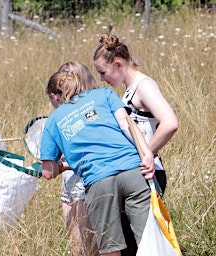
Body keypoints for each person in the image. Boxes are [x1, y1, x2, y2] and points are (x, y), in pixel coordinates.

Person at [40, 68, 155, 255]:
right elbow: (127, 125)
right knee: (149, 242)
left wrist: (60, 166)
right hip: (133, 170)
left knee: (111, 248)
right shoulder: (104, 94)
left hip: (99, 182)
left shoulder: (54, 120)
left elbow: (48, 172)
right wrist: (146, 153)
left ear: (55, 96)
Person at [92, 33, 179, 255]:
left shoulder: (144, 86)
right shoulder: (130, 90)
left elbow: (170, 122)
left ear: (118, 64)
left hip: (149, 171)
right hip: (137, 172)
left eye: (103, 72)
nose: (102, 79)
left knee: (146, 244)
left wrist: (147, 152)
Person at [48, 62, 99, 256]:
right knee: (75, 249)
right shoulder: (64, 114)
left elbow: (92, 154)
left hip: (87, 185)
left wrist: (63, 165)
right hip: (69, 185)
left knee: (89, 248)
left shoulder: (92, 111)